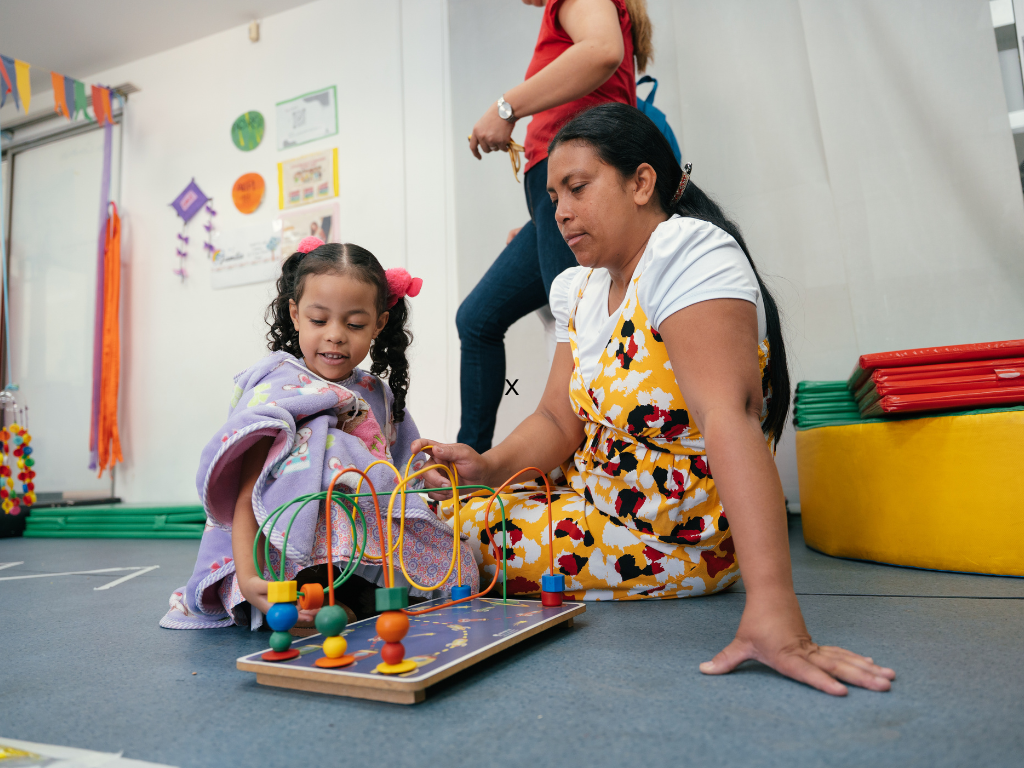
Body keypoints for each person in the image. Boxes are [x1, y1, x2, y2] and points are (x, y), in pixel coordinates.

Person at [416, 104, 895, 695]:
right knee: (431, 510)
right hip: (596, 504)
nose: (560, 213)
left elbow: (732, 418)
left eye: (578, 188)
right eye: (553, 196)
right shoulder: (581, 287)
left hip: (667, 540)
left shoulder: (686, 253)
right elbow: (553, 419)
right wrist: (486, 468)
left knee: (425, 532)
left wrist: (776, 611)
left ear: (642, 183)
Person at [160, 238, 477, 630]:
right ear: (295, 315)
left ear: (379, 323)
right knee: (328, 451)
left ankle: (344, 603)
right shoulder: (278, 387)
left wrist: (428, 477)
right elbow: (249, 494)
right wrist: (248, 577)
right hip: (281, 542)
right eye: (318, 320)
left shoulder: (377, 394)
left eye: (355, 323)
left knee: (459, 567)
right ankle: (309, 602)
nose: (335, 335)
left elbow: (391, 474)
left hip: (355, 550)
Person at [457, 0, 654, 452]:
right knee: (477, 319)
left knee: (579, 330)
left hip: (573, 192)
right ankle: (466, 472)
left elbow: (602, 49)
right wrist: (542, 221)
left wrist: (507, 107)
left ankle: (592, 464)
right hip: (556, 204)